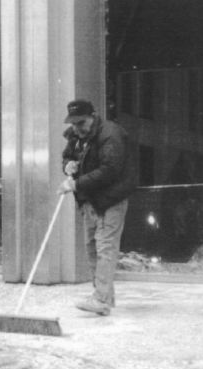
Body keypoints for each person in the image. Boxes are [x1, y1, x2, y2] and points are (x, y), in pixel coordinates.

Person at [57, 99, 138, 316]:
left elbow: (110, 169)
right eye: (73, 123)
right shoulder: (76, 136)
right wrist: (68, 165)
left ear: (92, 116)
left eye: (81, 123)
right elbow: (67, 155)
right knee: (92, 247)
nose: (76, 128)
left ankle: (101, 298)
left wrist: (76, 183)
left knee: (105, 248)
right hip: (90, 200)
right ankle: (104, 299)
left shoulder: (111, 135)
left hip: (112, 199)